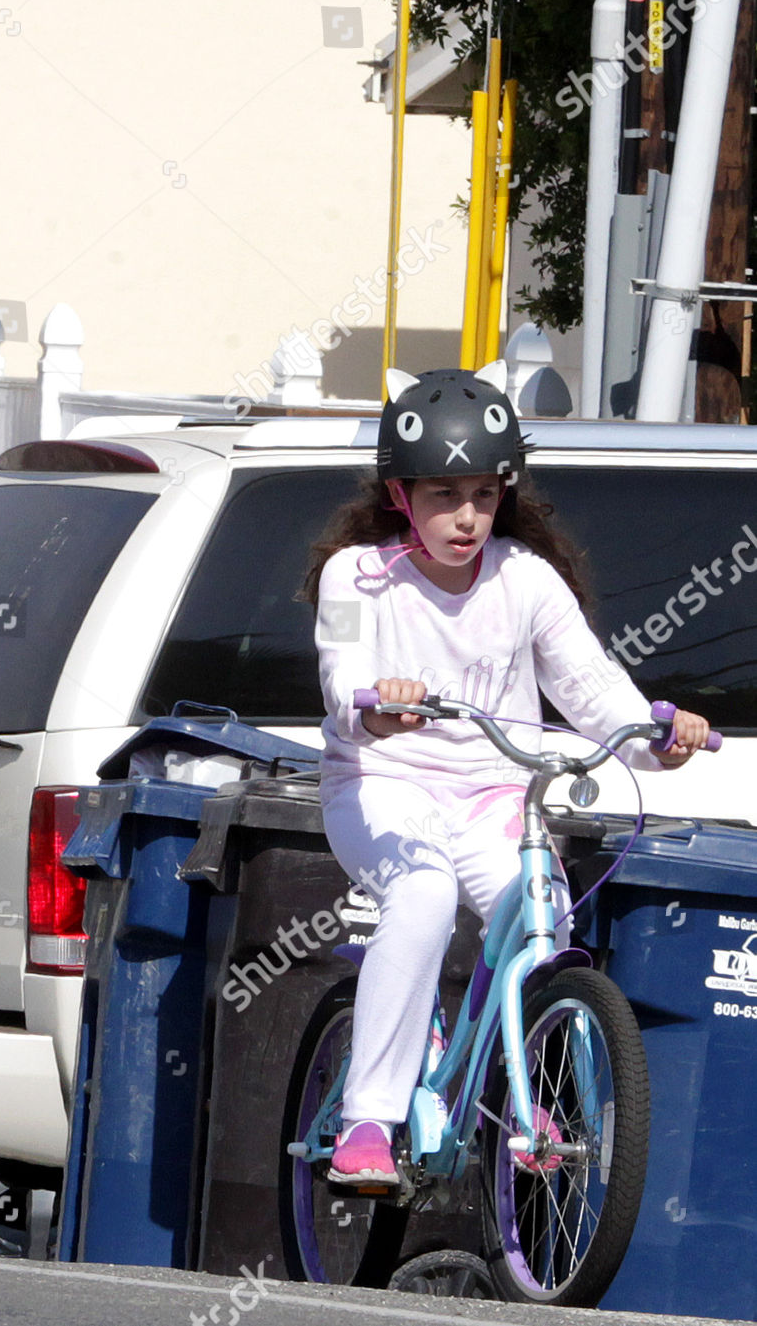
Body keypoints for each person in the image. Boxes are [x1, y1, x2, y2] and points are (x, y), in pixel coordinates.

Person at [303, 366, 710, 1187]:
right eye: (444, 491)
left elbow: (594, 691)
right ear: (399, 491)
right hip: (381, 787)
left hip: (492, 796)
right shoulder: (356, 574)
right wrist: (375, 705)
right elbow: (340, 670)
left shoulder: (523, 576)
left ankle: (519, 1096)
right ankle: (368, 1121)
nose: (466, 516)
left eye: (484, 494)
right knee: (420, 895)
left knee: (543, 912)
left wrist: (656, 737)